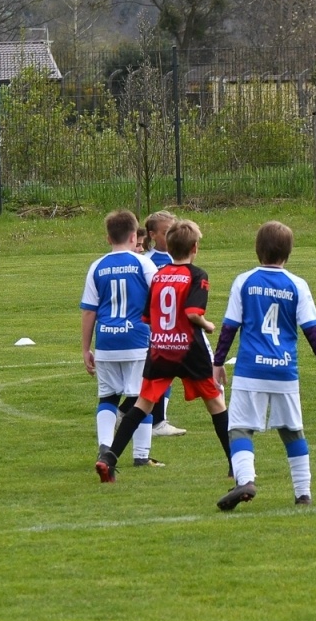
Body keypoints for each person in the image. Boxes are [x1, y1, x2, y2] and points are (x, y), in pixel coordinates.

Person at [212, 221, 316, 509]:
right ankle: (303, 494)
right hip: (284, 371)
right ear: (289, 253)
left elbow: (229, 327)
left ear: (257, 249)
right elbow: (312, 331)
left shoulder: (244, 281)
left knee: (240, 428)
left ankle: (246, 480)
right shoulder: (298, 285)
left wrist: (218, 362)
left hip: (250, 369)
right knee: (292, 431)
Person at [100, 220, 234, 488]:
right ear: (195, 248)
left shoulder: (159, 276)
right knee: (216, 404)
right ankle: (236, 463)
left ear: (169, 248)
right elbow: (192, 313)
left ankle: (109, 458)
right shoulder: (197, 275)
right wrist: (207, 325)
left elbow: (148, 317)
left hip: (161, 348)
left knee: (142, 405)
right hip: (188, 349)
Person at [81, 209, 164, 472]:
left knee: (107, 397)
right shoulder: (144, 264)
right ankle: (141, 456)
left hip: (106, 342)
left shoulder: (97, 267)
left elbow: (89, 311)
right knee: (144, 397)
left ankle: (105, 447)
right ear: (133, 236)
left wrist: (86, 348)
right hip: (138, 340)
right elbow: (159, 301)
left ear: (108, 238)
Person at [139, 209, 186, 438]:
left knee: (167, 372)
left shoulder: (177, 258)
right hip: (152, 327)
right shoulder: (146, 261)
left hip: (173, 326)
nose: (171, 236)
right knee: (156, 373)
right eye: (167, 231)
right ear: (152, 235)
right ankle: (152, 420)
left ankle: (157, 419)